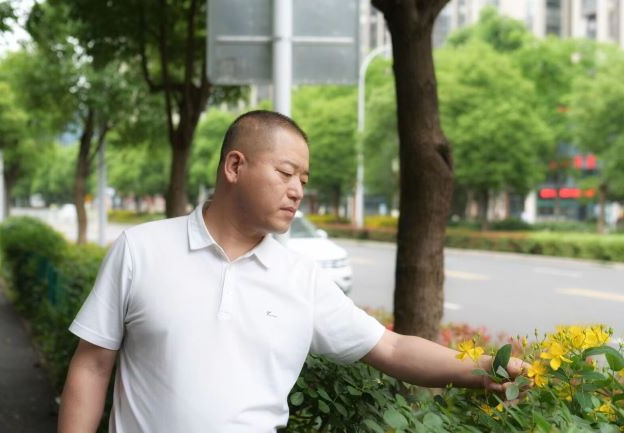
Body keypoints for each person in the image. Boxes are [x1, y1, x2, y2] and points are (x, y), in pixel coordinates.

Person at [58, 110, 527, 433]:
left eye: (303, 180)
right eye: (285, 174)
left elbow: (391, 347)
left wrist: (487, 368)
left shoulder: (301, 279)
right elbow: (92, 365)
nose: (298, 190)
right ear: (235, 166)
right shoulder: (141, 250)